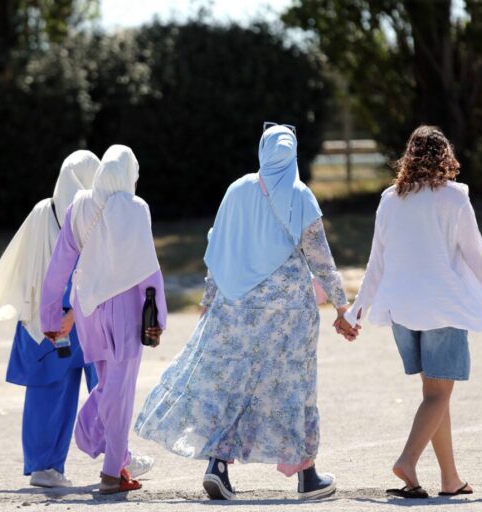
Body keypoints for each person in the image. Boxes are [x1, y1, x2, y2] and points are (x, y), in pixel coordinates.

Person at [134, 123, 357, 501]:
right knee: (293, 388)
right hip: (289, 314)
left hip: (236, 307)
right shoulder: (300, 195)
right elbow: (321, 258)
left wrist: (208, 299)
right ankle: (306, 475)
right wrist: (341, 306)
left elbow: (218, 250)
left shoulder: (237, 190)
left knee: (232, 385)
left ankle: (218, 466)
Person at [344, 125, 482, 499]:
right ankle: (407, 461)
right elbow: (479, 258)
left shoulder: (390, 200)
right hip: (442, 309)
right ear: (446, 156)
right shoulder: (454, 200)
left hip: (401, 311)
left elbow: (376, 263)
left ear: (408, 158)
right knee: (438, 395)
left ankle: (450, 479)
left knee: (434, 392)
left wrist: (355, 313)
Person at [0, 151, 101, 488]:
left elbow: (18, 263)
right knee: (106, 385)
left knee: (48, 390)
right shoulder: (96, 213)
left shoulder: (41, 212)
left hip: (45, 318)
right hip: (86, 315)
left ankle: (44, 466)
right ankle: (116, 459)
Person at [40, 144, 167, 495]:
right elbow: (148, 268)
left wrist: (50, 314)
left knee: (109, 382)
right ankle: (111, 471)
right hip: (124, 308)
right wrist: (160, 318)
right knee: (119, 390)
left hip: (87, 307)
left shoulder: (78, 204)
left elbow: (59, 265)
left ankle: (108, 453)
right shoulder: (135, 207)